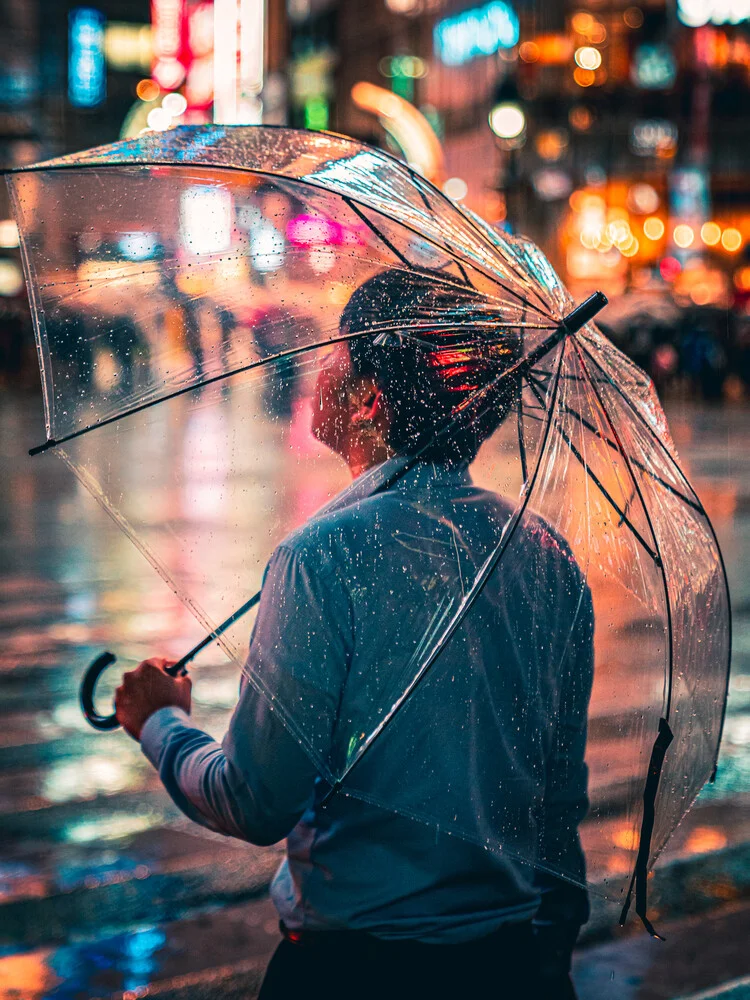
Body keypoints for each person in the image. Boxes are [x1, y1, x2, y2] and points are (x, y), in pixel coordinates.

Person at [115, 268, 594, 1000]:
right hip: (510, 965)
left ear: (370, 398)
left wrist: (160, 724)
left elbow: (254, 799)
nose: (320, 363)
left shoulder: (324, 557)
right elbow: (557, 811)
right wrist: (549, 957)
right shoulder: (547, 557)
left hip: (349, 972)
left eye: (341, 348)